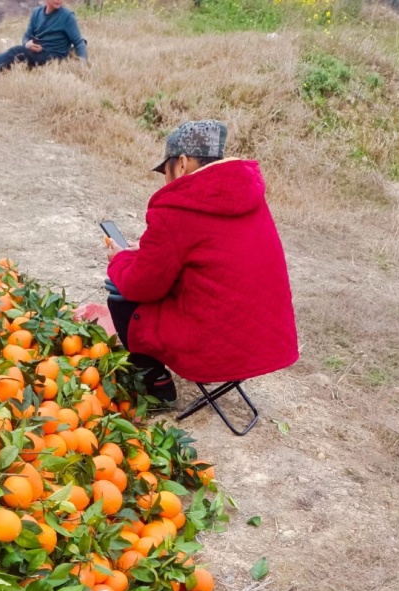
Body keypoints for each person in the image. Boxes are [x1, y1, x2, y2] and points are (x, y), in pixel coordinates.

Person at [105, 119, 299, 404]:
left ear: (181, 163)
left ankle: (156, 386)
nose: (165, 179)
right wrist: (146, 250)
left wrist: (119, 258)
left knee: (120, 296)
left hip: (214, 344)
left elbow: (142, 286)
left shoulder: (178, 206)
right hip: (264, 342)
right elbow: (211, 258)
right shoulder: (248, 195)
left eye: (166, 170)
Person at [0, 0, 87, 79]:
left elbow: (79, 43)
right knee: (18, 57)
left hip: (53, 57)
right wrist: (27, 44)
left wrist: (83, 64)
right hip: (37, 53)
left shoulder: (67, 16)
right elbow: (27, 35)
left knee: (16, 51)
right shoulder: (37, 13)